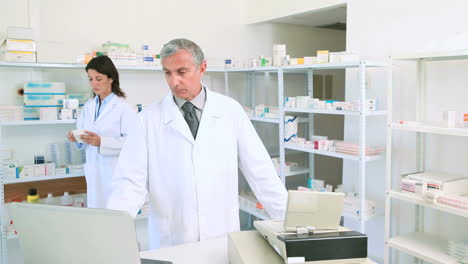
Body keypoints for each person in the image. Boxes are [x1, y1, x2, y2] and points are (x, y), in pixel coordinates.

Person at [106, 39, 287, 249]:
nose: (174, 81)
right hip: (171, 239)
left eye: (182, 72)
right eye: (167, 73)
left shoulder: (230, 111)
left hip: (221, 235)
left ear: (202, 68)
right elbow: (129, 182)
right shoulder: (147, 119)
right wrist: (112, 232)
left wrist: (292, 225)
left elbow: (261, 172)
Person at [67, 55, 137, 208]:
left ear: (110, 78)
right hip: (94, 173)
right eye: (90, 79)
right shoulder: (89, 106)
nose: (94, 84)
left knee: (115, 222)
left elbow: (133, 143)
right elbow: (83, 137)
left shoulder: (124, 108)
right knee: (97, 221)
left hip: (115, 174)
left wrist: (102, 142)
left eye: (98, 79)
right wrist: (76, 139)